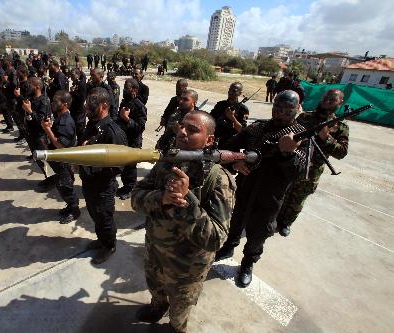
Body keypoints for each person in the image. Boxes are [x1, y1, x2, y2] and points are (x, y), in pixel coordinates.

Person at [132, 111, 234, 333]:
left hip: (186, 269)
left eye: (193, 129)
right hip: (155, 253)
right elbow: (136, 199)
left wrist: (185, 199)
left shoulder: (217, 179)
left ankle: (176, 328)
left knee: (180, 311)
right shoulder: (168, 162)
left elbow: (216, 238)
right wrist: (162, 198)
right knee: (156, 290)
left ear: (209, 140)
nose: (182, 132)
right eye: (182, 126)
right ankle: (158, 306)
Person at [215, 90, 308, 288]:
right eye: (277, 107)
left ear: (296, 110)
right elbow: (228, 148)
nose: (281, 113)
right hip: (245, 186)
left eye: (287, 109)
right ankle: (228, 247)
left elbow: (299, 174)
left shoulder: (301, 136)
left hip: (271, 195)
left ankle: (248, 262)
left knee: (259, 232)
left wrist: (288, 153)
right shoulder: (257, 129)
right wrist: (236, 163)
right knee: (235, 220)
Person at [277, 89, 349, 236]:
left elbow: (342, 152)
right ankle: (274, 217)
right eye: (325, 97)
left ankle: (286, 223)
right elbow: (287, 132)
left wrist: (326, 137)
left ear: (340, 102)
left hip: (312, 170)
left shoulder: (340, 126)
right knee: (282, 192)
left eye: (332, 99)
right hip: (293, 162)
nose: (327, 101)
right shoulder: (305, 117)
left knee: (298, 198)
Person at [79, 87, 128, 265]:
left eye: (92, 104)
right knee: (95, 215)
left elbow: (118, 166)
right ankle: (101, 240)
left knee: (104, 217)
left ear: (105, 105)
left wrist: (92, 170)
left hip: (103, 187)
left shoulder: (113, 132)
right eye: (87, 103)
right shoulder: (92, 125)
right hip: (89, 183)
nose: (87, 108)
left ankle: (109, 246)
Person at [41, 91, 81, 224]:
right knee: (61, 186)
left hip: (64, 162)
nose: (52, 104)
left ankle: (75, 211)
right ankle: (70, 206)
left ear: (64, 104)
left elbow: (60, 145)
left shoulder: (66, 122)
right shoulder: (60, 117)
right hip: (59, 162)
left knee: (66, 187)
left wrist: (47, 130)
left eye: (55, 102)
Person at [115, 78, 147, 200]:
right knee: (124, 166)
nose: (124, 90)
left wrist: (126, 118)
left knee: (130, 167)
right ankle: (125, 186)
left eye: (127, 87)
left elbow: (140, 127)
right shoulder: (125, 102)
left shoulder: (139, 106)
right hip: (124, 140)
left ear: (134, 89)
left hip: (133, 142)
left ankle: (130, 188)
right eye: (124, 87)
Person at [210, 82, 249, 149]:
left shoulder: (243, 109)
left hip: (231, 143)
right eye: (230, 90)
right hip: (216, 140)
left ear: (239, 93)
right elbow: (210, 120)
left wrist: (232, 117)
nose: (230, 92)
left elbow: (241, 130)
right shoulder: (220, 105)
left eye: (234, 91)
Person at [69, 68, 88, 139]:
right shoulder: (76, 83)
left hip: (79, 111)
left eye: (72, 75)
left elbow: (81, 98)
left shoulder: (81, 85)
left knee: (80, 130)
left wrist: (72, 92)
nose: (71, 77)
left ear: (77, 75)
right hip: (73, 110)